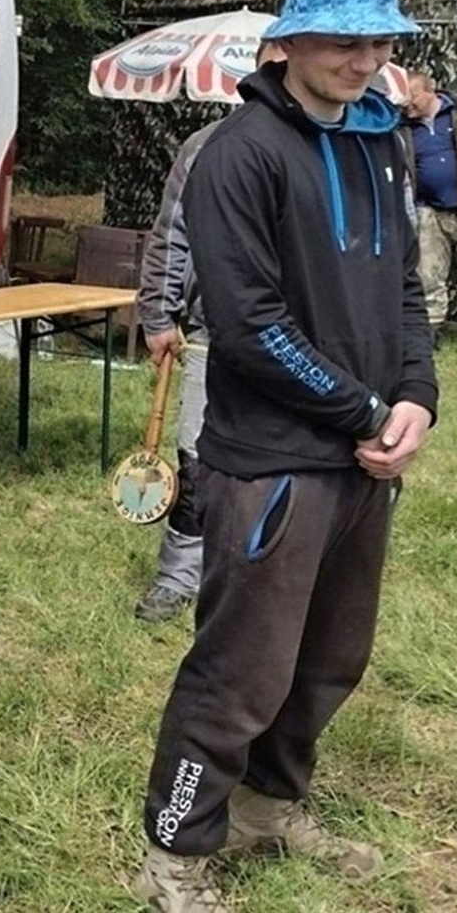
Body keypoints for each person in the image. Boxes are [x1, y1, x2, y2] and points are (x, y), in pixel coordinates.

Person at [133, 0, 436, 913]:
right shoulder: (239, 154)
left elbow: (402, 293)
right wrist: (363, 409)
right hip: (269, 462)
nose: (364, 58)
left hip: (361, 461)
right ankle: (174, 856)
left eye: (378, 40)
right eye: (344, 40)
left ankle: (267, 804)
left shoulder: (380, 142)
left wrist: (415, 399)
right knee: (239, 671)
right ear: (291, 39)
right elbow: (249, 325)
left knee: (330, 656)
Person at [133, 39, 284, 623]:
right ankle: (179, 575)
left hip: (300, 341)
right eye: (270, 68)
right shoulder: (206, 146)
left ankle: (264, 578)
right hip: (212, 336)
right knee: (198, 459)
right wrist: (158, 314)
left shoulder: (334, 151)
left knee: (282, 466)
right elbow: (172, 234)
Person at [398, 70, 457, 357]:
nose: (407, 106)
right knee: (427, 278)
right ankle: (427, 341)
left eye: (413, 98)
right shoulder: (402, 128)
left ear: (430, 90)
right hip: (428, 212)